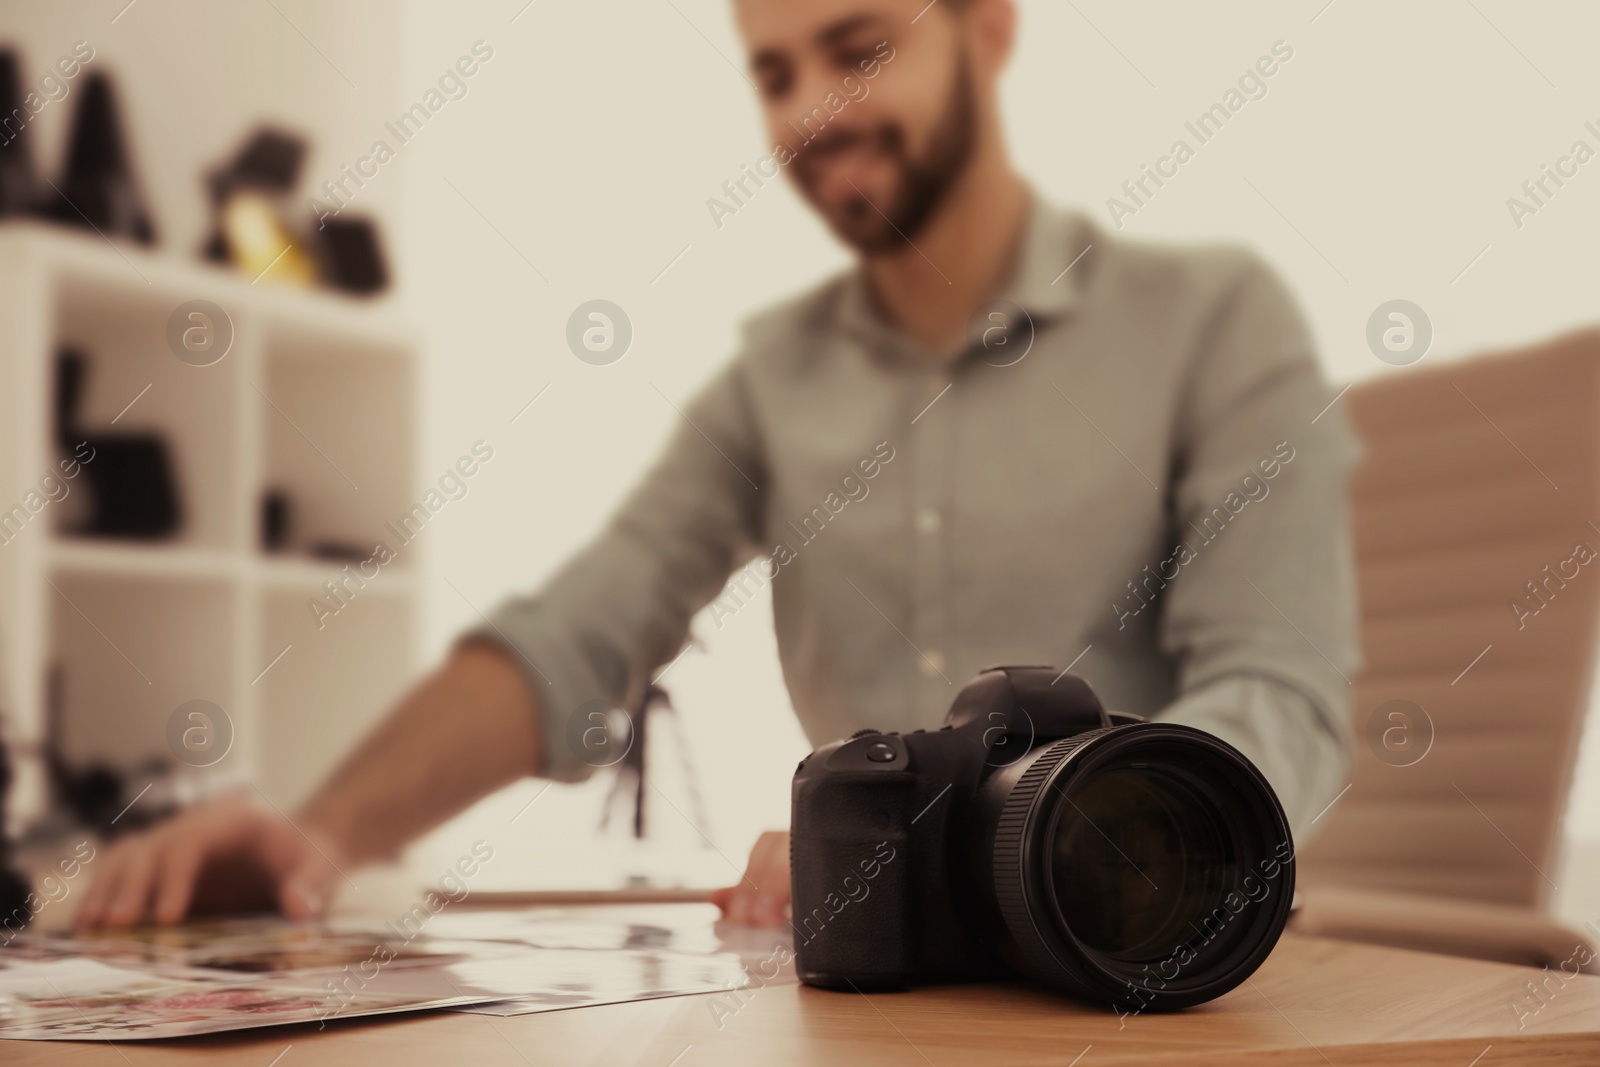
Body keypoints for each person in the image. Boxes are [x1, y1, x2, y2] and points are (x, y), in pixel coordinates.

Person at [75, 0, 1359, 931]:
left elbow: (1279, 692)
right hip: (873, 984)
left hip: (1154, 956)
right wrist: (320, 829)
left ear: (989, 28)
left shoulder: (1212, 319)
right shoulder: (771, 380)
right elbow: (580, 630)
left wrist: (966, 847)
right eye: (773, 71)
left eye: (859, 49)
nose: (812, 110)